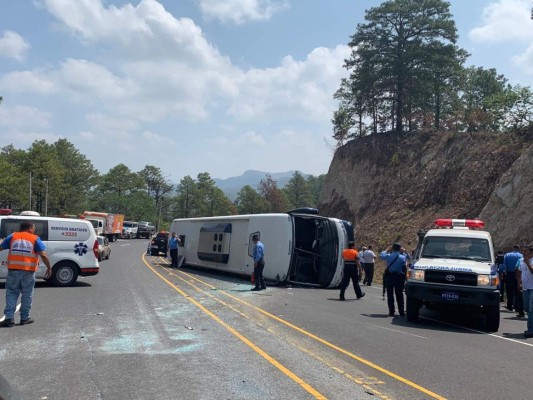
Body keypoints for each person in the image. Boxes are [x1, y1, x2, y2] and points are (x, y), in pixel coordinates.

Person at [0, 221, 51, 327]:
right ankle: (25, 318)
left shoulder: (12, 236)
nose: (34, 230)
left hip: (13, 271)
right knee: (27, 294)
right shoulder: (35, 238)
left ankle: (9, 318)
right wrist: (49, 268)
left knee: (11, 293)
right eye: (33, 228)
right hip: (28, 272)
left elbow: (0, 247)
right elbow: (44, 255)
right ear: (29, 228)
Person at [379, 243, 407, 316]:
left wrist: (386, 250)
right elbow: (405, 265)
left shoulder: (389, 256)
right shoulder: (403, 257)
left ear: (393, 248)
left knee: (390, 294)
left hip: (390, 276)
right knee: (399, 295)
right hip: (399, 277)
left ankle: (391, 311)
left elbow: (381, 256)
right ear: (400, 248)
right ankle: (401, 311)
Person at [517, 246, 533, 338]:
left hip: (532, 288)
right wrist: (519, 283)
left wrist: (528, 263)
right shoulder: (521, 261)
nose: (523, 252)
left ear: (531, 252)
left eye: (525, 251)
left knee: (531, 310)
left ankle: (530, 330)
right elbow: (519, 272)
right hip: (525, 288)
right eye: (523, 251)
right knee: (527, 308)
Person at [504, 245, 524, 316]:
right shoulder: (521, 256)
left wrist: (503, 272)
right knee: (518, 291)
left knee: (509, 290)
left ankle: (509, 305)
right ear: (519, 249)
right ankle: (517, 306)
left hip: (509, 274)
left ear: (513, 248)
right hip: (519, 274)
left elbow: (504, 265)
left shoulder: (507, 255)